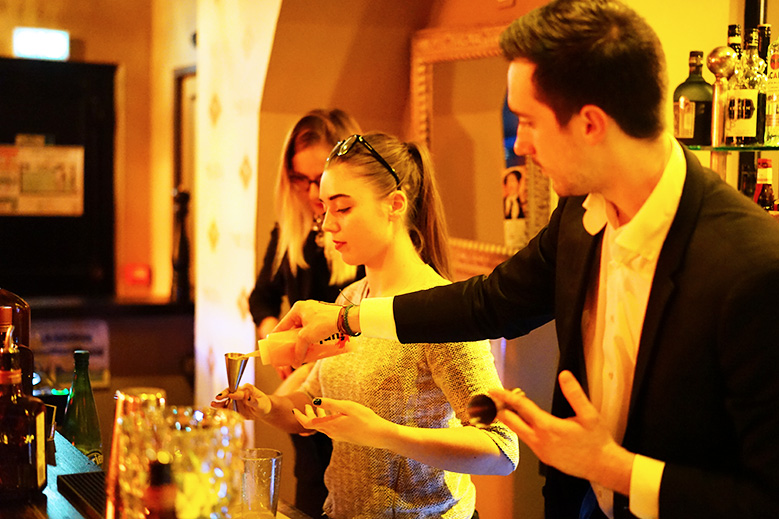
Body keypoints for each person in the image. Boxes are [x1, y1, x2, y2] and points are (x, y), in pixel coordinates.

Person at [274, 2, 779, 519]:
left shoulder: (752, 268)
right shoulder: (579, 217)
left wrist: (616, 468)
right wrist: (347, 318)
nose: (520, 144)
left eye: (529, 121)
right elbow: (489, 303)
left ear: (590, 124)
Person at [215, 132, 519, 519]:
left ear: (394, 205)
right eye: (324, 209)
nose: (327, 225)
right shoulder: (349, 300)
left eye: (342, 208)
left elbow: (501, 450)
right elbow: (313, 404)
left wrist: (382, 433)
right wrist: (266, 405)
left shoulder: (440, 312)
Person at [247, 108, 364, 517]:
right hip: (305, 402)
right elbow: (262, 297)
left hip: (350, 400)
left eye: (321, 178)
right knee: (311, 490)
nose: (313, 192)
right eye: (301, 179)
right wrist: (275, 337)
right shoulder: (292, 228)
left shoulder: (359, 237)